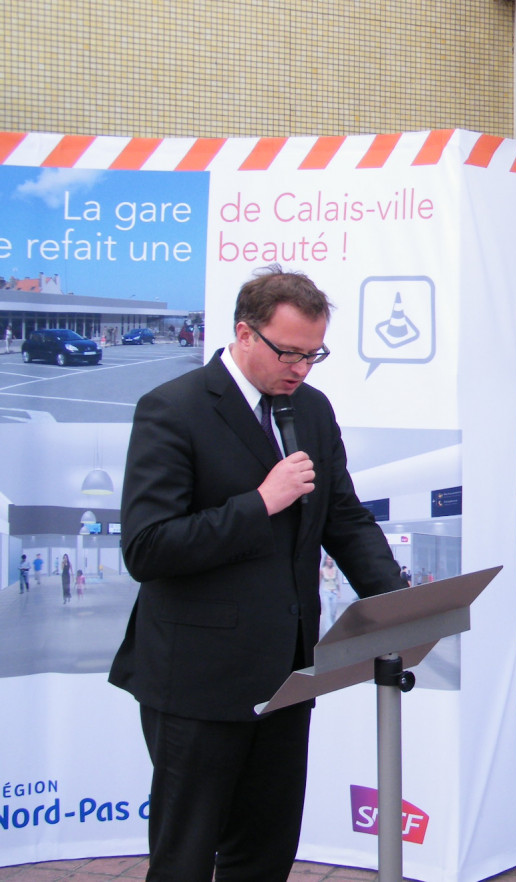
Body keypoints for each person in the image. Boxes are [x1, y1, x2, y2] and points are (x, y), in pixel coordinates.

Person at [108, 266, 404, 882]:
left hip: (286, 676)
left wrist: (396, 597)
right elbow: (147, 547)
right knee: (186, 856)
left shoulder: (313, 411)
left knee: (264, 852)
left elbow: (343, 518)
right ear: (245, 334)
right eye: (289, 352)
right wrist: (259, 503)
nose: (300, 368)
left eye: (313, 354)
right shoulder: (173, 409)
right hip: (196, 681)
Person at [319, 555, 341, 631]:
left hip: (334, 592)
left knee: (333, 612)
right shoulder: (322, 570)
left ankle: (333, 627)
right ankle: (329, 631)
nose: (330, 561)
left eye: (331, 559)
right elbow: (319, 582)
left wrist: (339, 592)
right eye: (328, 559)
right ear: (326, 560)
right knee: (328, 612)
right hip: (326, 593)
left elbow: (337, 581)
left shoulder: (335, 570)